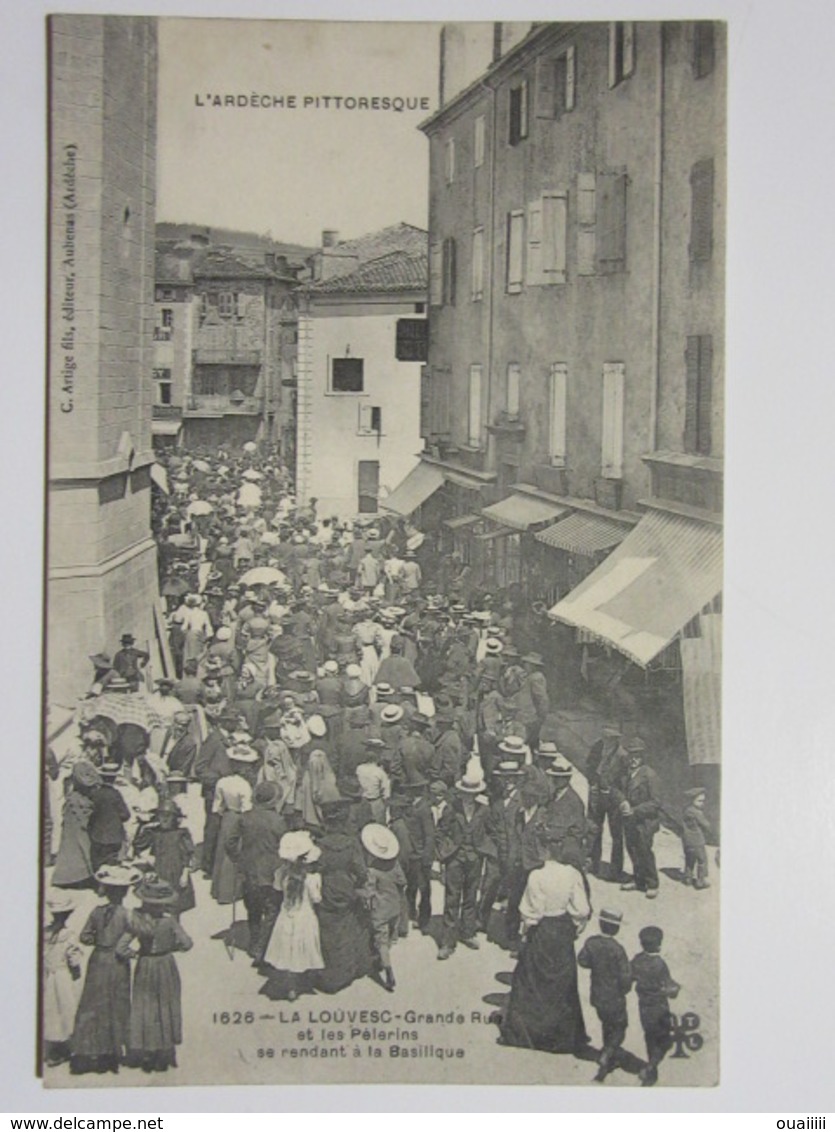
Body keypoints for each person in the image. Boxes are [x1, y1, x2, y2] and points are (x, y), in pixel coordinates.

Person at [496, 834, 591, 1055]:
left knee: (530, 982)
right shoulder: (572, 873)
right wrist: (575, 927)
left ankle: (528, 1033)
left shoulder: (536, 876)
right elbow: (582, 909)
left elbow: (532, 912)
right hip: (562, 930)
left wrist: (525, 932)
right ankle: (561, 1036)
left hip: (542, 931)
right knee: (562, 985)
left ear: (545, 850)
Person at [70, 864, 141, 1075]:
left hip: (98, 959)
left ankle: (88, 1049)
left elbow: (84, 937)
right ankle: (114, 1051)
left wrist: (98, 938)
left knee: (93, 1002)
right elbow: (137, 938)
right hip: (118, 962)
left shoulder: (96, 912)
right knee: (117, 1003)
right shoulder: (129, 915)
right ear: (126, 891)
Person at [124, 877, 194, 1073]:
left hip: (145, 963)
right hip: (165, 964)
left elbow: (122, 947)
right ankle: (163, 1051)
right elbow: (187, 944)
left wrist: (135, 954)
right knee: (165, 1004)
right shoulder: (169, 921)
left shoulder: (138, 920)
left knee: (146, 1006)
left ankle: (147, 1050)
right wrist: (172, 947)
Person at [436, 760, 495, 960]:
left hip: (475, 859)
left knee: (470, 897)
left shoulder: (484, 810)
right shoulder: (451, 809)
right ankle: (447, 941)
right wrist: (444, 852)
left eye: (472, 794)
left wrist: (483, 850)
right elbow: (441, 832)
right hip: (455, 858)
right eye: (466, 793)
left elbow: (490, 833)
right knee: (452, 898)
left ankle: (468, 932)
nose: (469, 797)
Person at [226, 781, 288, 963]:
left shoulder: (245, 818)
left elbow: (229, 842)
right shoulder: (278, 821)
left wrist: (238, 858)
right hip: (272, 873)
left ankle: (254, 944)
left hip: (249, 871)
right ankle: (263, 947)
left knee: (253, 909)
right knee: (272, 910)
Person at [263, 831, 324, 1001]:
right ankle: (303, 980)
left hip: (287, 914)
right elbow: (316, 898)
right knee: (303, 947)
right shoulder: (311, 878)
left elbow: (277, 890)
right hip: (305, 916)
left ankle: (291, 987)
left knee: (288, 948)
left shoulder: (282, 874)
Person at [577, 909, 633, 1081]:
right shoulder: (618, 950)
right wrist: (624, 989)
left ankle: (607, 1049)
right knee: (620, 1026)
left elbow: (582, 961)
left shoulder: (592, 943)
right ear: (616, 929)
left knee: (606, 1023)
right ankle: (608, 1054)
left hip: (597, 994)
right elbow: (626, 977)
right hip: (614, 996)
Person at [631, 925, 680, 1086]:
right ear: (659, 944)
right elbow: (669, 988)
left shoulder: (637, 960)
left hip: (643, 1007)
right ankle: (651, 1067)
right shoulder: (660, 964)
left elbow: (628, 978)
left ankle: (652, 1071)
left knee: (650, 1038)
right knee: (664, 1040)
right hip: (659, 1007)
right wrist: (676, 988)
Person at [360, 823, 406, 991]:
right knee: (389, 938)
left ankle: (388, 970)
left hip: (380, 909)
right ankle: (383, 959)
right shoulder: (395, 864)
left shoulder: (372, 870)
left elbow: (369, 892)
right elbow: (402, 882)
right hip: (394, 907)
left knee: (381, 940)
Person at [132, 798, 197, 916]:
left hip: (175, 872)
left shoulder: (181, 833)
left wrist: (185, 874)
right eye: (162, 816)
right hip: (158, 871)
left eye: (168, 816)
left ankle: (171, 930)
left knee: (173, 906)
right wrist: (147, 857)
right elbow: (138, 845)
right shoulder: (154, 832)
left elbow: (188, 854)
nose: (164, 819)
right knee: (154, 904)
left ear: (174, 818)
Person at [42, 891, 83, 1067]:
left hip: (48, 974)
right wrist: (76, 967)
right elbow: (73, 959)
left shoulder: (45, 933)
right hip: (62, 975)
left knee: (51, 1009)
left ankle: (52, 1049)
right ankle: (65, 1048)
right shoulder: (68, 935)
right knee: (66, 1008)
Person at [586, 723, 629, 881]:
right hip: (596, 794)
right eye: (605, 737)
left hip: (612, 797)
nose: (606, 740)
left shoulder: (622, 755)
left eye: (610, 738)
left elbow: (625, 781)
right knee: (593, 828)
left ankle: (616, 869)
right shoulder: (597, 747)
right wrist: (592, 783)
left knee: (616, 834)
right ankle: (592, 862)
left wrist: (617, 796)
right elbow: (589, 766)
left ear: (615, 739)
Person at [619, 739, 662, 899]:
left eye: (637, 755)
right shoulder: (627, 773)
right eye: (631, 755)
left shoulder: (649, 775)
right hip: (630, 820)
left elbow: (656, 803)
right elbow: (620, 790)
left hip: (645, 821)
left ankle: (652, 883)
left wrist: (635, 810)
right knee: (632, 849)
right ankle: (638, 880)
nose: (633, 759)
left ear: (643, 757)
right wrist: (623, 801)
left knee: (644, 851)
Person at [52, 762, 99, 889]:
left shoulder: (71, 796)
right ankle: (84, 875)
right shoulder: (91, 796)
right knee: (82, 845)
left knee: (73, 845)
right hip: (81, 812)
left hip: (73, 814)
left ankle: (72, 876)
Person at [681, 787, 712, 888]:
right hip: (697, 840)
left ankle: (687, 878)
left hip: (686, 840)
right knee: (702, 861)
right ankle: (700, 881)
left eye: (703, 801)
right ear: (692, 800)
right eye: (699, 801)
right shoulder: (697, 812)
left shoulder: (686, 810)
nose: (702, 803)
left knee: (689, 859)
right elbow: (706, 825)